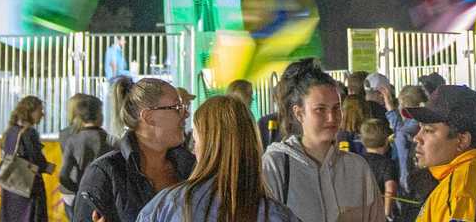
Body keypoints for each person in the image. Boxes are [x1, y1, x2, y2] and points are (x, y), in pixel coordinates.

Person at [136, 95, 300, 222]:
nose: (194, 151)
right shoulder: (278, 215)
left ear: (208, 145)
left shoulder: (168, 205)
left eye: (195, 140)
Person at [261, 59, 384, 222]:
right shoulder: (275, 165)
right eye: (320, 109)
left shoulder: (357, 168)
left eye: (336, 108)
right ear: (299, 113)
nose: (331, 118)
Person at [73, 77, 196, 222]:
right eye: (177, 108)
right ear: (149, 117)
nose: (186, 114)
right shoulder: (105, 174)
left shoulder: (190, 167)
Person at [405, 84, 476, 222]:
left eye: (428, 130)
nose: (417, 138)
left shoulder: (461, 195)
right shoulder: (471, 175)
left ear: (462, 140)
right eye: (420, 128)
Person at [381, 84, 432, 222]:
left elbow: (403, 161)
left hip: (408, 186)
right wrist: (390, 107)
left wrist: (404, 184)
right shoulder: (423, 124)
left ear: (402, 105)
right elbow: (399, 128)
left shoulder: (404, 133)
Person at [60, 95, 114, 221]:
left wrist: (78, 189)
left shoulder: (73, 140)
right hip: (103, 195)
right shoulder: (109, 140)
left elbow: (63, 175)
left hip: (80, 195)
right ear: (99, 115)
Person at [1, 96, 53, 222]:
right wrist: (47, 167)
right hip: (29, 187)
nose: (42, 114)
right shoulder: (29, 133)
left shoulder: (10, 131)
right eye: (40, 110)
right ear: (30, 111)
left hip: (11, 185)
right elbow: (36, 160)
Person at [356, 119, 398, 221]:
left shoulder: (356, 161)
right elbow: (390, 189)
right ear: (386, 141)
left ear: (362, 141)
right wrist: (386, 214)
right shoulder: (388, 163)